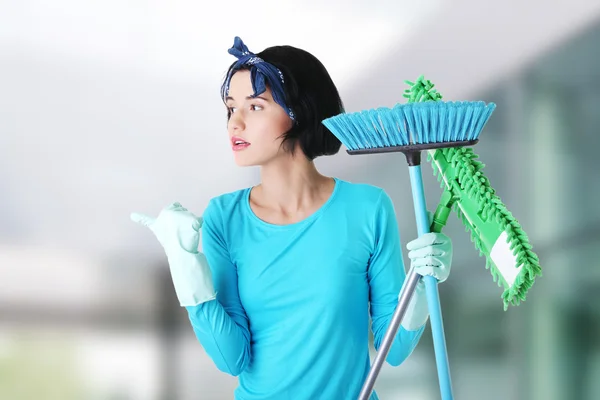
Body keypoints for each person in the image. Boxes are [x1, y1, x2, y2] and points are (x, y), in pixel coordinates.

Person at [131, 36, 453, 400]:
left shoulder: (367, 208)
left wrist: (423, 286)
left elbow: (392, 350)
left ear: (298, 111)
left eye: (254, 107)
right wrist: (183, 263)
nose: (234, 124)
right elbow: (232, 358)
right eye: (230, 108)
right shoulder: (224, 217)